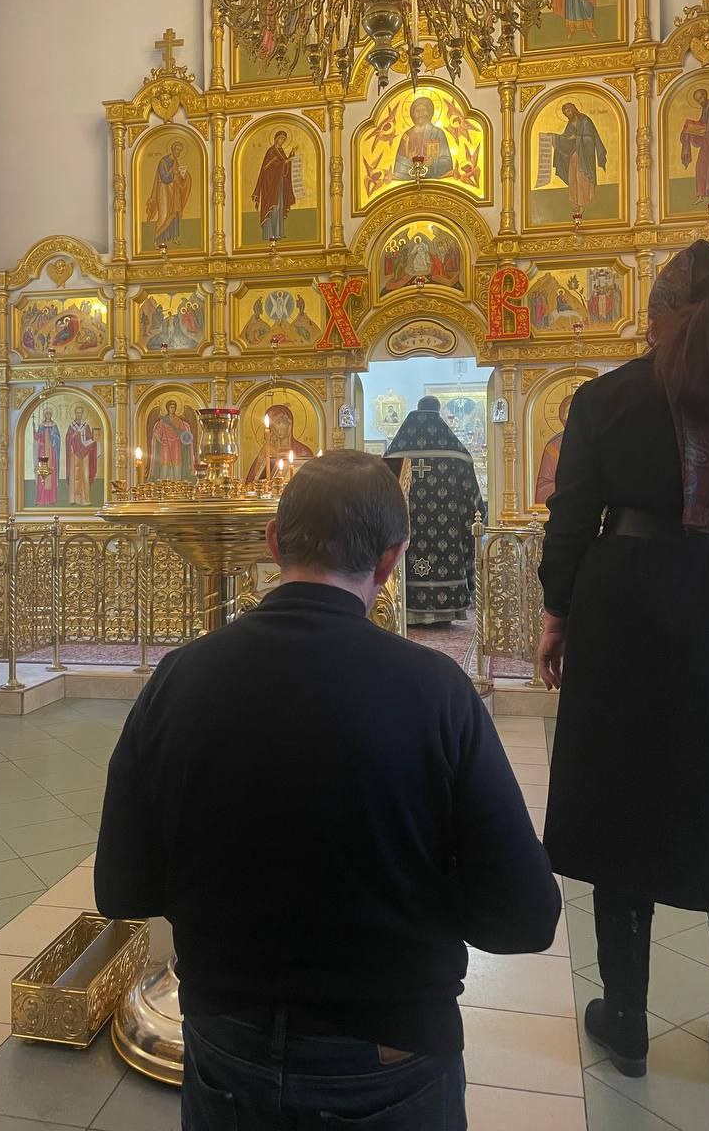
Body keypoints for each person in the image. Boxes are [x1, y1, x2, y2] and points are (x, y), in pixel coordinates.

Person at [96, 451, 560, 1129]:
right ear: (391, 559)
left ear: (274, 542)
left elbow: (121, 889)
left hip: (225, 1048)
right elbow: (526, 916)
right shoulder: (437, 693)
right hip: (388, 1055)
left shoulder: (178, 678)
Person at [536, 239, 709, 1093]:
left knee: (625, 806)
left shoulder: (608, 397)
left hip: (627, 614)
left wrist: (557, 613)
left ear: (662, 319)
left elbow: (571, 518)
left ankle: (627, 1022)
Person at [385, 396, 486, 625]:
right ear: (438, 411)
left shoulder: (397, 450)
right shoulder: (455, 452)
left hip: (407, 526)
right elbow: (472, 502)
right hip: (446, 531)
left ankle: (407, 612)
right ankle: (444, 613)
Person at [553, 102, 607, 212]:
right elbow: (566, 138)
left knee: (581, 178)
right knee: (573, 178)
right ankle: (575, 203)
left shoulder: (585, 121)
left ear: (574, 109)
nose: (567, 114)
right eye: (565, 113)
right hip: (573, 157)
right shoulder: (570, 124)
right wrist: (555, 138)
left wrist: (576, 137)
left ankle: (582, 203)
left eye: (569, 111)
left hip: (585, 158)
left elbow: (590, 139)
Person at [245, 403, 314, 483]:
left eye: (279, 423)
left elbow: (309, 481)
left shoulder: (303, 451)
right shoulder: (267, 450)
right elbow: (251, 482)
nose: (276, 428)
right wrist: (265, 455)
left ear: (289, 423)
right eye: (272, 425)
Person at [392, 96, 454, 180]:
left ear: (429, 112)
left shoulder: (437, 133)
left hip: (434, 182)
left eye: (423, 110)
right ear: (412, 114)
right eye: (417, 111)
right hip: (410, 184)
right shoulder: (406, 136)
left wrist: (432, 163)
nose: (420, 114)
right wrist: (410, 161)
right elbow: (398, 167)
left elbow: (447, 162)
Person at [146, 139, 192, 249]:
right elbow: (164, 177)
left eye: (180, 150)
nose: (178, 152)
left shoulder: (175, 162)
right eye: (177, 149)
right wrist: (173, 173)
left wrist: (183, 176)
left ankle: (173, 237)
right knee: (164, 215)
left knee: (175, 213)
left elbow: (178, 180)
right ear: (172, 149)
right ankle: (157, 240)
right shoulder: (163, 162)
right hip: (164, 191)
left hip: (174, 192)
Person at [252, 130, 296, 241]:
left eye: (284, 139)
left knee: (279, 207)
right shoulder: (271, 152)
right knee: (273, 208)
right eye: (281, 139)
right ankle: (270, 234)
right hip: (270, 186)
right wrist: (285, 162)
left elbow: (284, 164)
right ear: (276, 139)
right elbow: (267, 169)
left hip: (279, 185)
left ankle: (278, 233)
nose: (282, 141)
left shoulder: (281, 151)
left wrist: (290, 157)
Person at [534, 393, 573, 505]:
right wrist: (567, 485)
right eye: (568, 413)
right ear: (563, 417)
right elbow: (542, 489)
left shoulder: (593, 443)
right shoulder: (553, 447)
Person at [148, 400, 196, 482]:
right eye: (171, 407)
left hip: (176, 444)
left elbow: (184, 433)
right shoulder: (163, 421)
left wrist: (186, 438)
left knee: (177, 462)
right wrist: (160, 441)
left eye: (174, 407)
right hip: (165, 445)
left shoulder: (178, 420)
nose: (172, 409)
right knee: (165, 463)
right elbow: (156, 433)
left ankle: (177, 481)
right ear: (167, 408)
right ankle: (164, 481)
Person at [66, 405, 98, 505]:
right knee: (74, 474)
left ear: (82, 414)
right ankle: (74, 499)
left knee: (85, 474)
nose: (79, 414)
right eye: (77, 413)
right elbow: (68, 439)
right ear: (75, 413)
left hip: (85, 453)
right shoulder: (71, 426)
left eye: (80, 413)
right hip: (74, 453)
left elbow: (90, 438)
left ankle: (85, 499)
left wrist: (95, 439)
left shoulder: (86, 426)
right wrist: (73, 435)